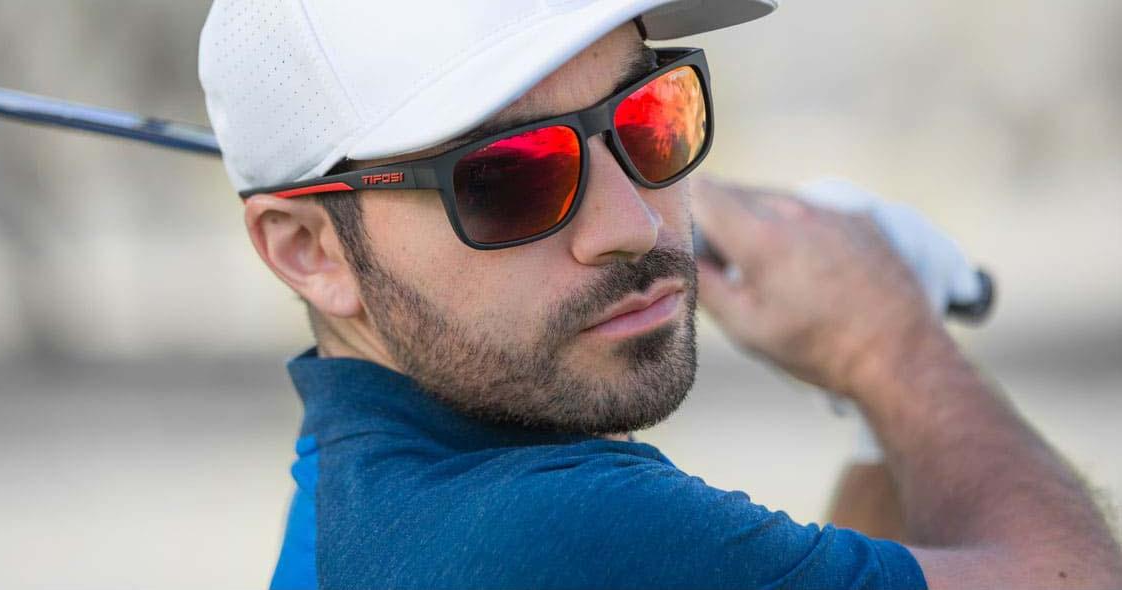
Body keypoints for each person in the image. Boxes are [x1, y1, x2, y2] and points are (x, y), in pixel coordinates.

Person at [198, 1, 1122, 588]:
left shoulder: (349, 494)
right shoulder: (552, 529)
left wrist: (881, 415)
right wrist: (891, 348)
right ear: (309, 250)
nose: (633, 224)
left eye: (647, 119)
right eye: (507, 177)